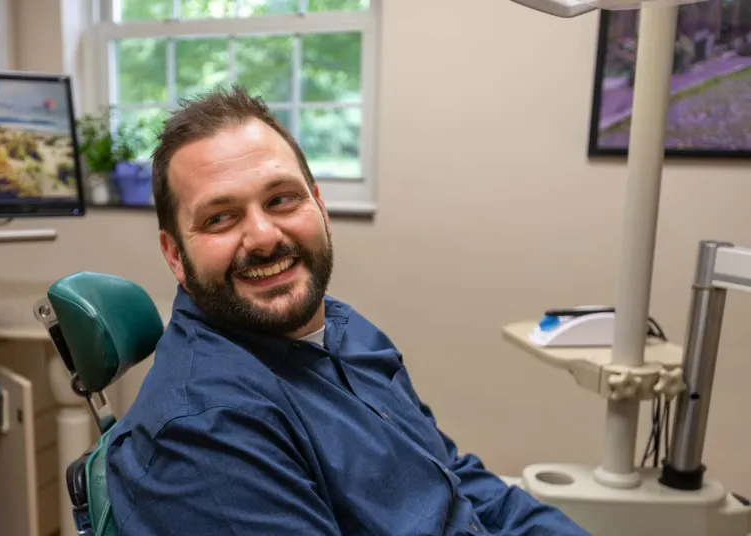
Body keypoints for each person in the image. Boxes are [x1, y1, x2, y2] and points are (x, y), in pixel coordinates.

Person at [103, 84, 590, 535]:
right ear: (175, 256)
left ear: (319, 206)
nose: (265, 237)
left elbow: (452, 476)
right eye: (220, 217)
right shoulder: (205, 433)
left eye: (282, 199)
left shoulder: (341, 327)